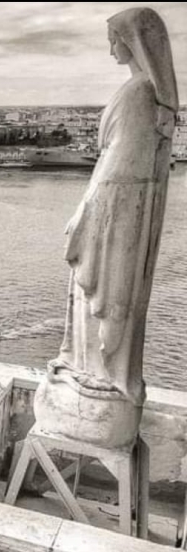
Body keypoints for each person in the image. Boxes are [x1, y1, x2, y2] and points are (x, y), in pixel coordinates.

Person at [52, 7, 178, 407]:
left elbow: (116, 168)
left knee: (101, 296)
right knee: (106, 296)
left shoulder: (140, 93)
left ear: (133, 42)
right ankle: (94, 367)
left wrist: (83, 214)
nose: (110, 50)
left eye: (114, 41)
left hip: (113, 213)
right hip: (119, 207)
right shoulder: (146, 92)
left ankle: (99, 372)